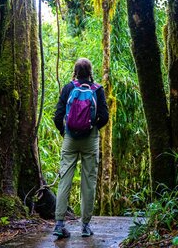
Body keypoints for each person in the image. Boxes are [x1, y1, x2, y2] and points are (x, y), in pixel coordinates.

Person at [52, 58, 109, 238]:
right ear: (90, 71)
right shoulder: (97, 90)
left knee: (65, 179)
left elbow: (58, 115)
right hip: (90, 139)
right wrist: (92, 127)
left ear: (75, 71)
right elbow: (104, 117)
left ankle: (59, 224)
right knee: (89, 182)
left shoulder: (69, 88)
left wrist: (65, 131)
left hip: (70, 138)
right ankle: (85, 226)